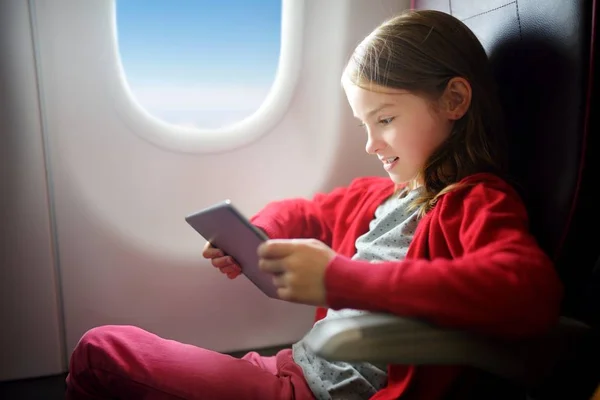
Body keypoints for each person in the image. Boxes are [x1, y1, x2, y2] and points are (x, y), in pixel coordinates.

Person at [65, 9, 563, 400]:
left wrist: (337, 278)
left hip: (312, 392)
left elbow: (527, 292)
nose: (371, 144)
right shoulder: (385, 196)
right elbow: (308, 212)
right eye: (363, 125)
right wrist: (256, 235)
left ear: (455, 101)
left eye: (385, 119)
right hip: (292, 368)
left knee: (99, 352)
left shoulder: (476, 201)